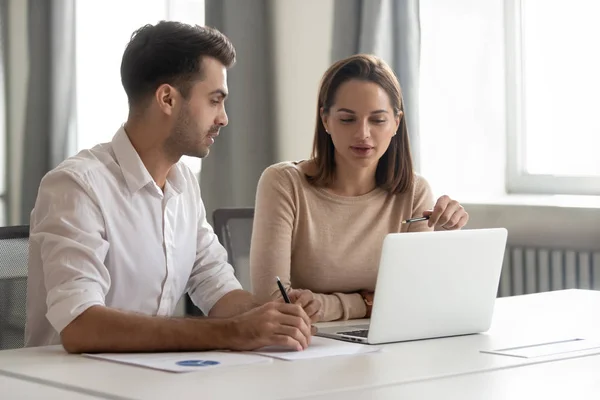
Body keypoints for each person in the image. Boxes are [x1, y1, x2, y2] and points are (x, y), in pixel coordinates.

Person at [25, 21, 320, 353]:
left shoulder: (184, 185)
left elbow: (217, 286)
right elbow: (81, 327)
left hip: (155, 379)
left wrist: (275, 315)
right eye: (214, 100)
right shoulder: (76, 186)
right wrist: (233, 332)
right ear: (167, 98)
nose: (224, 118)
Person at [250, 54, 469, 322]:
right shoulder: (284, 183)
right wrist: (370, 302)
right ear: (326, 120)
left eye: (377, 120)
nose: (363, 134)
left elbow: (413, 297)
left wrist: (332, 305)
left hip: (388, 340)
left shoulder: (414, 191)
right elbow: (270, 300)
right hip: (307, 341)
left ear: (396, 123)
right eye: (347, 119)